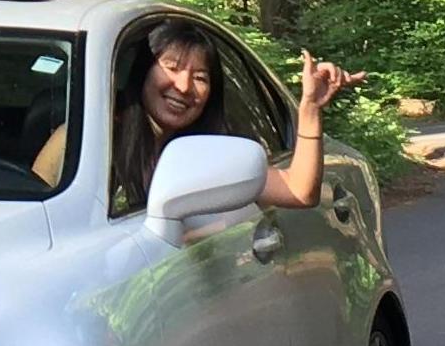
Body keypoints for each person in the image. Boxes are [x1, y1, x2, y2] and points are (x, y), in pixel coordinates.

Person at [35, 12, 356, 209]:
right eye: (171, 67)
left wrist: (310, 107)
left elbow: (300, 192)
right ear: (143, 73)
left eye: (200, 77)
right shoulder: (84, 141)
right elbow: (44, 216)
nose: (184, 86)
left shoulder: (209, 153)